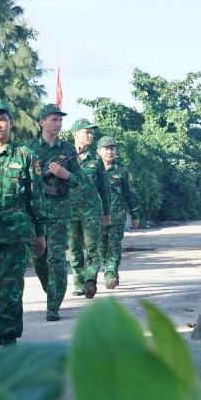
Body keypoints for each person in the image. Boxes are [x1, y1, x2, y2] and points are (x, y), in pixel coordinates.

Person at [0, 99, 48, 347]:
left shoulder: (25, 156)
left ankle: (8, 337)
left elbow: (36, 196)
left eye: (2, 120)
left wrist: (40, 232)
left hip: (17, 234)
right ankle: (1, 317)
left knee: (12, 288)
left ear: (11, 123)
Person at [24, 104, 80, 321]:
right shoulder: (28, 149)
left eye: (60, 120)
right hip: (35, 213)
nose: (57, 124)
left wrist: (66, 175)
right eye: (53, 120)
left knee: (56, 259)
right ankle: (53, 292)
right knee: (38, 259)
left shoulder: (68, 150)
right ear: (42, 122)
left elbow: (80, 180)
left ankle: (53, 306)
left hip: (59, 212)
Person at [67, 118, 110, 300]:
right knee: (74, 249)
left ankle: (90, 280)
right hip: (70, 210)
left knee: (92, 247)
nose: (90, 135)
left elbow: (104, 188)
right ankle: (78, 282)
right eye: (87, 132)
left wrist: (107, 212)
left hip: (92, 210)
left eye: (92, 132)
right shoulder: (65, 156)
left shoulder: (96, 160)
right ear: (76, 134)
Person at [94, 135, 141, 290]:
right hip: (97, 216)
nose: (110, 151)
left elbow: (130, 193)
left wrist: (134, 214)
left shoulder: (122, 170)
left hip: (117, 216)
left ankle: (111, 274)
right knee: (101, 247)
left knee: (114, 246)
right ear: (98, 151)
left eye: (112, 148)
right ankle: (107, 271)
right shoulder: (92, 169)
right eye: (106, 148)